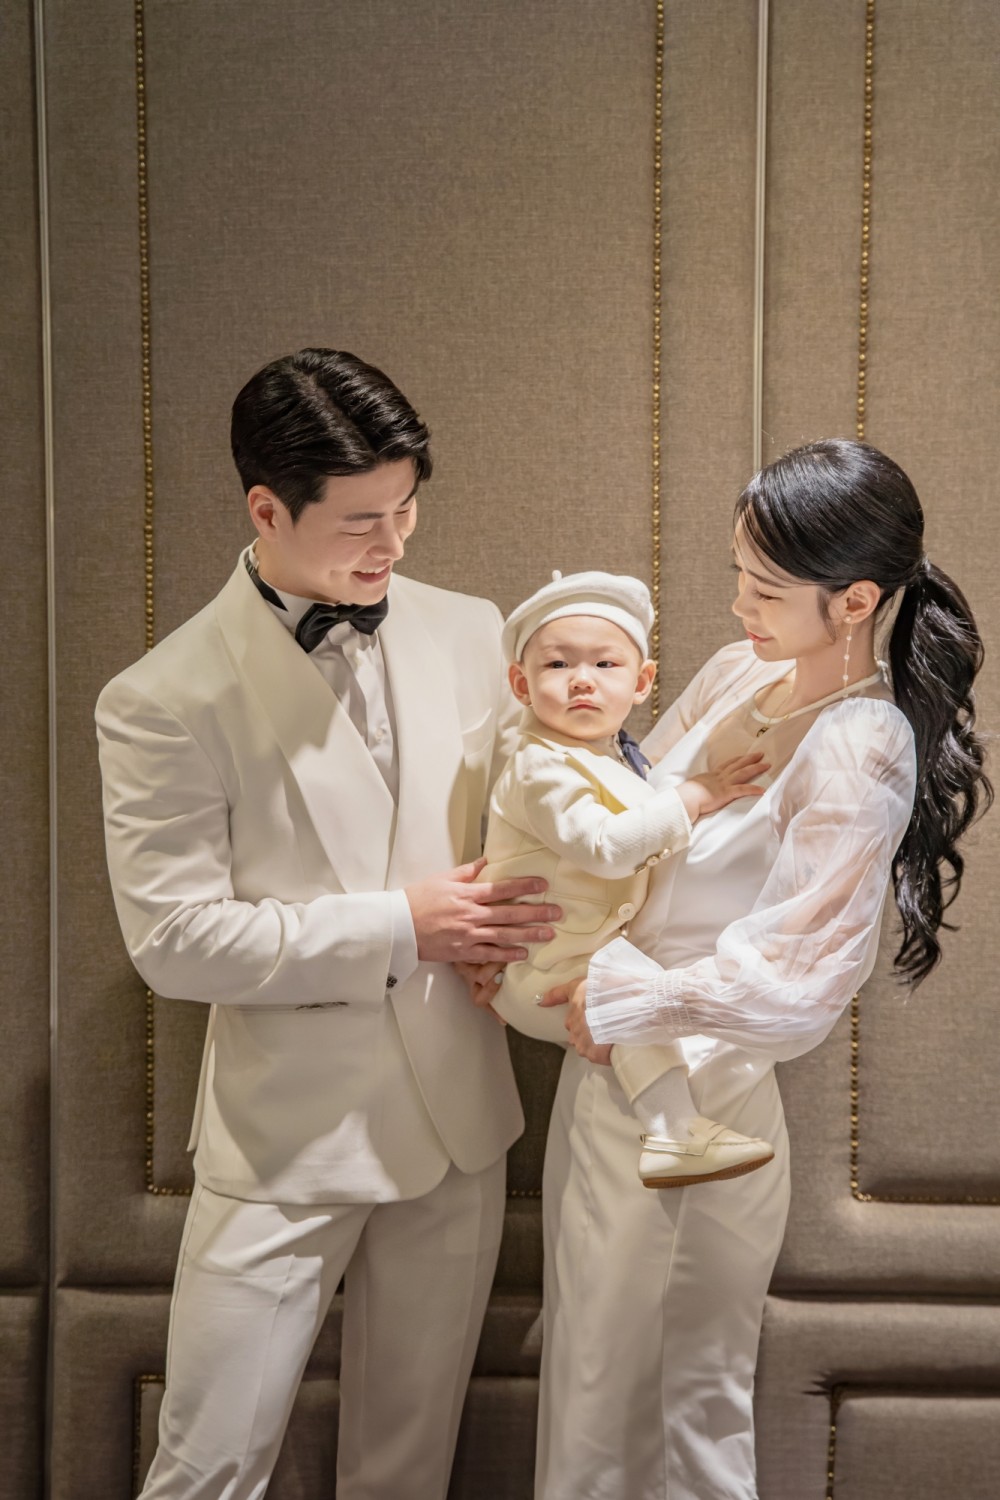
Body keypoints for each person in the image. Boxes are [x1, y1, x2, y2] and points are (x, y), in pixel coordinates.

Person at [95, 348, 562, 1500]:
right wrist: (401, 926)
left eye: (406, 510)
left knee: (407, 1470)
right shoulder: (162, 697)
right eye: (361, 521)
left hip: (457, 1123)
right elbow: (175, 940)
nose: (392, 544)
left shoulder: (472, 630)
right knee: (208, 1466)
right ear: (267, 509)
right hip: (285, 1143)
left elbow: (543, 818)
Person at [531, 439, 991, 1500]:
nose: (739, 604)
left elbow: (800, 982)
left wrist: (627, 994)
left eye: (767, 589)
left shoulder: (862, 743)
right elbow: (625, 821)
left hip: (705, 1101)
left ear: (855, 601)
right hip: (604, 1073)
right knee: (590, 1396)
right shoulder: (740, 672)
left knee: (674, 1410)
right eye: (738, 574)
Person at [478, 568, 775, 1187]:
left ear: (641, 683)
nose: (582, 679)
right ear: (521, 684)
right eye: (558, 664)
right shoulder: (539, 767)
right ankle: (673, 1133)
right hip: (542, 969)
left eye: (605, 664)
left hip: (572, 956)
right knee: (627, 997)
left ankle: (674, 1131)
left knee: (628, 992)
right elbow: (606, 848)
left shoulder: (610, 757)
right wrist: (694, 797)